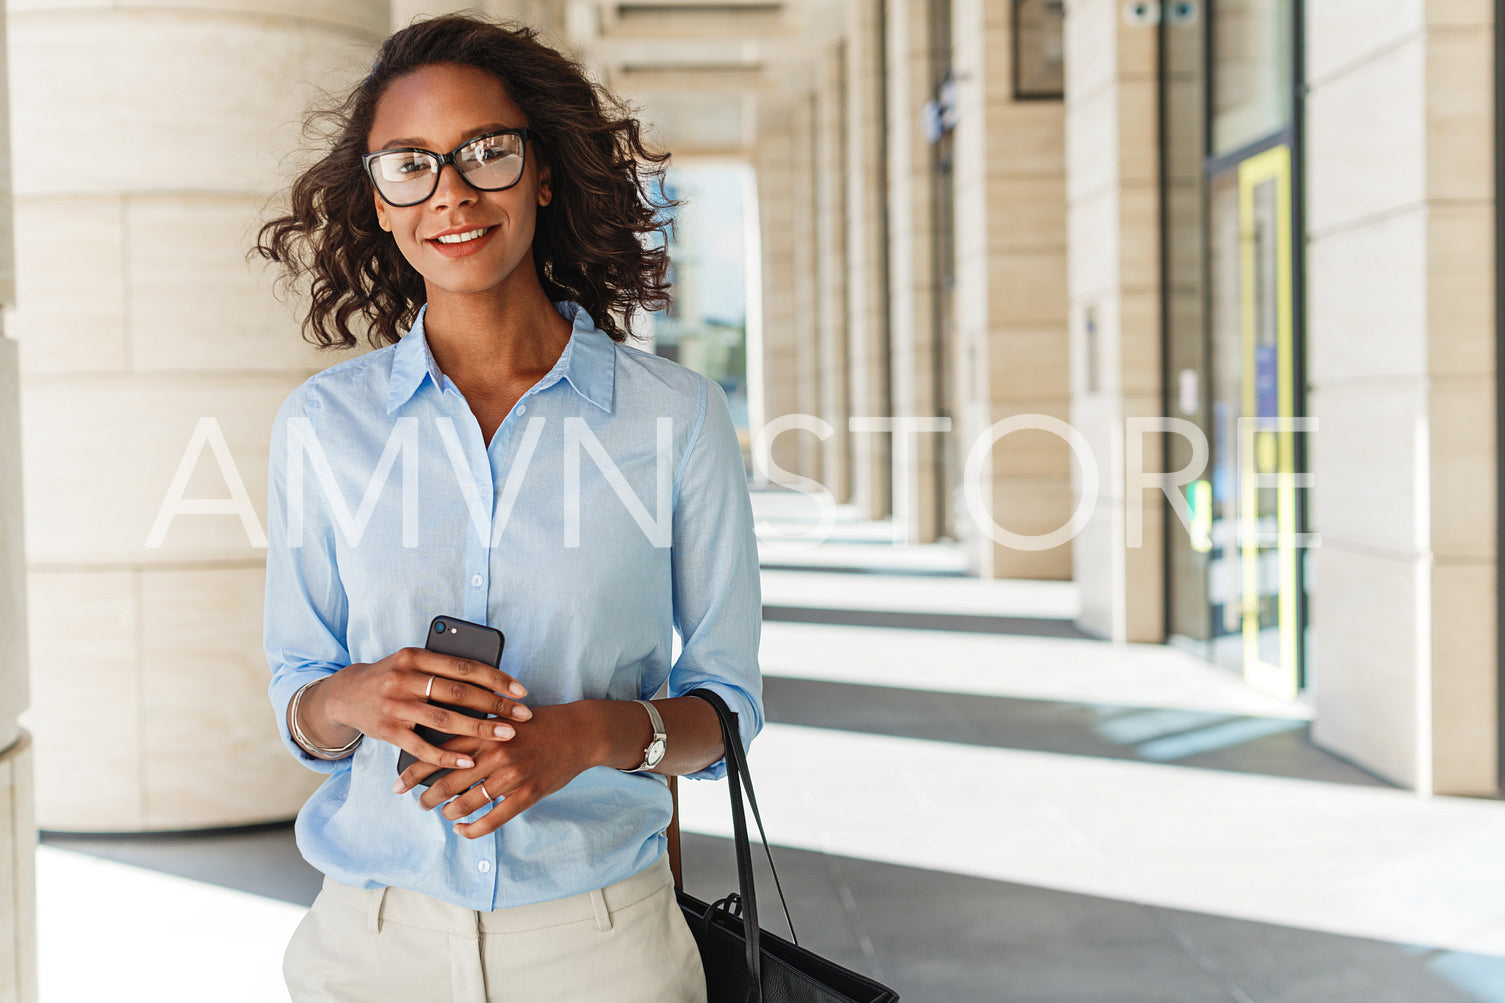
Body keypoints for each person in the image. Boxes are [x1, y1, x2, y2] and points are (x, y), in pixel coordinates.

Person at [254, 14, 761, 1002]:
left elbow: (726, 712)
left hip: (604, 945)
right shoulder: (324, 424)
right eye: (409, 164)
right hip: (372, 939)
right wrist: (353, 700)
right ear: (379, 199)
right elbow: (299, 699)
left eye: (485, 152)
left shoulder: (673, 418)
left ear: (541, 171)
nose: (449, 191)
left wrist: (588, 737)